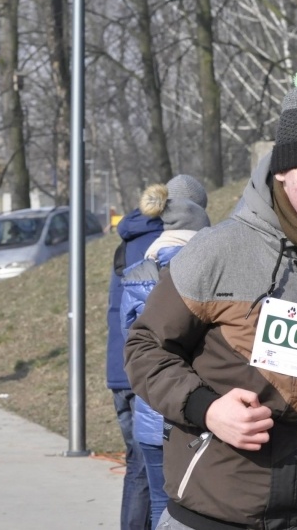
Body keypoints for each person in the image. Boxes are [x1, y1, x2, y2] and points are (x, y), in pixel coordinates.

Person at [124, 62, 297, 530]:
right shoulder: (217, 250)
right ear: (281, 171)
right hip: (212, 510)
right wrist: (207, 409)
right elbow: (144, 348)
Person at [120, 174, 210, 529]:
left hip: (150, 406)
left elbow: (131, 341)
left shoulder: (138, 270)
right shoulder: (209, 265)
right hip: (199, 410)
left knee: (161, 503)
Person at [107, 205, 164, 530]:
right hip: (143, 373)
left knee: (136, 465)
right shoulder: (163, 244)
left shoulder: (126, 242)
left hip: (119, 370)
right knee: (149, 469)